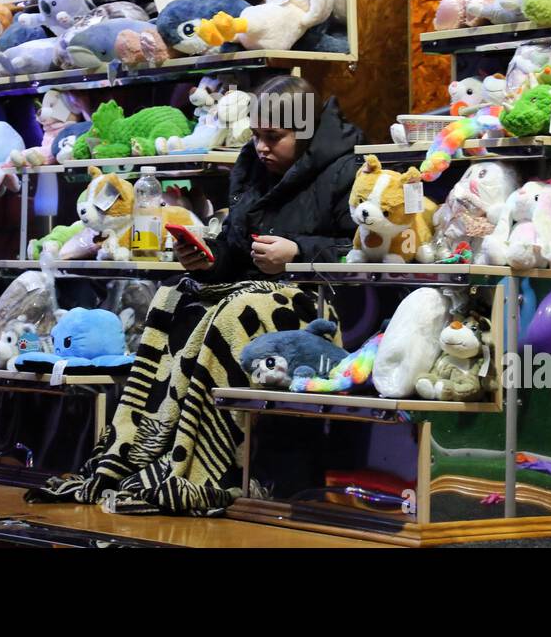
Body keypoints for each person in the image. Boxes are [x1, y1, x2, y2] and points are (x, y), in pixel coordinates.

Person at [26, 76, 365, 515]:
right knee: (174, 297)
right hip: (250, 290)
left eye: (274, 138)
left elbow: (362, 250)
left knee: (233, 313)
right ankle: (151, 450)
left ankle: (203, 465)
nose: (261, 147)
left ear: (304, 131)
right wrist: (208, 259)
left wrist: (297, 252)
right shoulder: (253, 165)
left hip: (314, 304)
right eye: (257, 136)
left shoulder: (347, 171)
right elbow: (236, 248)